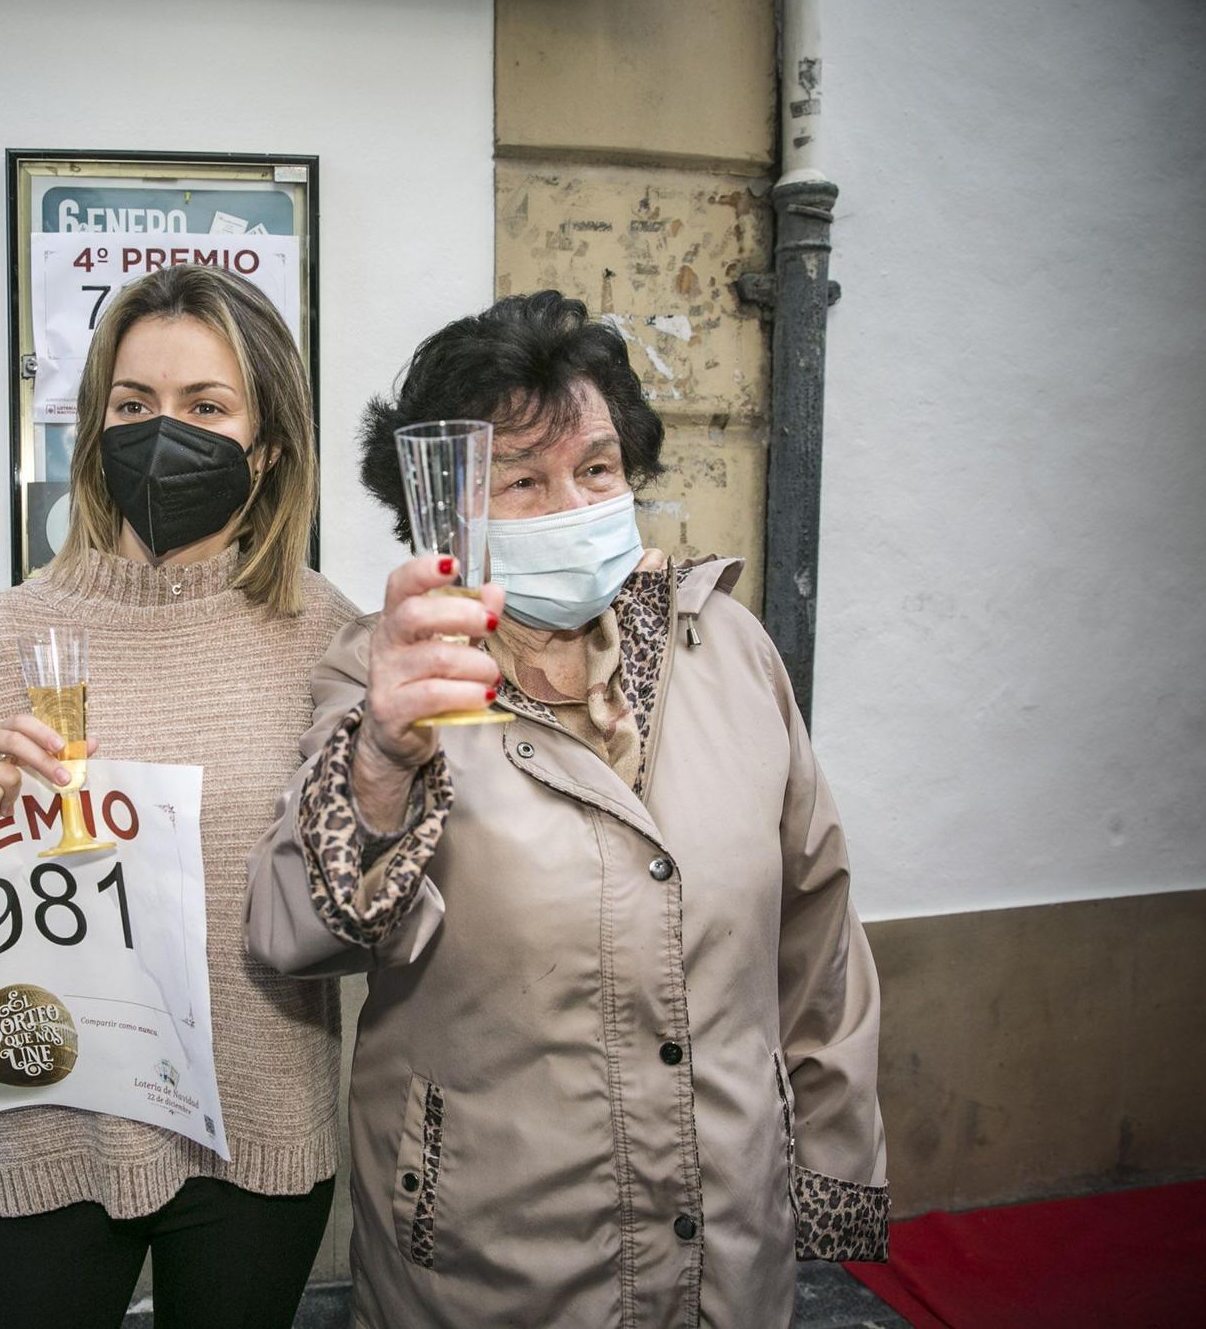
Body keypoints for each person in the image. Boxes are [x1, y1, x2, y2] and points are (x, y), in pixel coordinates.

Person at [246, 290, 888, 1327]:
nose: (570, 505)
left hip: (725, 1260)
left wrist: (826, 1169)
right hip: (482, 1268)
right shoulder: (386, 671)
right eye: (521, 479)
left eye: (593, 468)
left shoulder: (727, 648)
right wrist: (381, 754)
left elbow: (814, 935)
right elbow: (292, 933)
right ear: (448, 506)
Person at [0, 264, 357, 1328]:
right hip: (54, 1116)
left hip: (257, 1121)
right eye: (132, 405)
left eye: (205, 407)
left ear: (267, 442)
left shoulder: (325, 633)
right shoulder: (8, 630)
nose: (162, 432)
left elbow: (358, 889)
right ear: (93, 427)